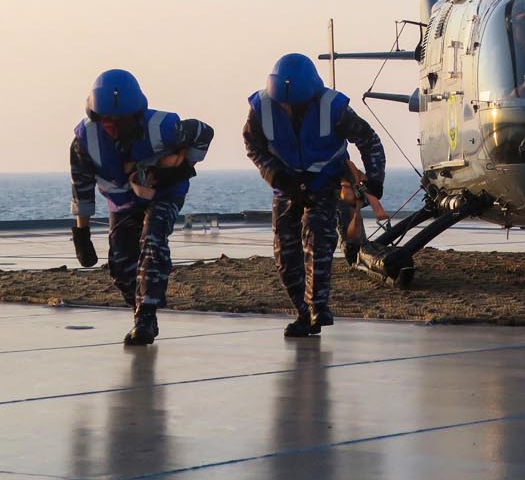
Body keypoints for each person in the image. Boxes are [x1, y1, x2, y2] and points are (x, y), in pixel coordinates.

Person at [243, 53, 386, 338]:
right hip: (286, 184)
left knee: (318, 239)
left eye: (296, 105)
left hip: (325, 182)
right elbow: (253, 147)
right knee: (285, 254)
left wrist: (375, 179)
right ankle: (301, 311)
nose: (289, 109)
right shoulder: (260, 109)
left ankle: (318, 307)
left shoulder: (334, 108)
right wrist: (277, 177)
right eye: (284, 105)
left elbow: (368, 139)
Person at [69, 69, 213, 345]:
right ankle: (143, 309)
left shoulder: (163, 127)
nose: (111, 126)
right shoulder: (84, 141)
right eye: (105, 120)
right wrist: (82, 235)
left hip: (164, 194)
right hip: (122, 203)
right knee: (121, 266)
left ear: (135, 114)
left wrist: (181, 168)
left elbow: (204, 133)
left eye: (119, 120)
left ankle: (146, 316)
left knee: (153, 240)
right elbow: (81, 186)